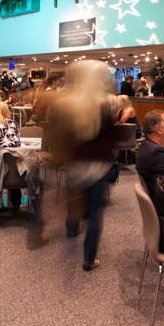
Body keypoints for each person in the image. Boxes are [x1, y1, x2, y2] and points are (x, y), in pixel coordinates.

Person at [47, 61, 117, 271]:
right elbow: (110, 137)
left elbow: (61, 136)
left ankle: (71, 228)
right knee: (95, 212)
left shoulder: (67, 104)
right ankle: (89, 258)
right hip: (98, 167)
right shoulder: (103, 104)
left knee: (74, 197)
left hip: (75, 163)